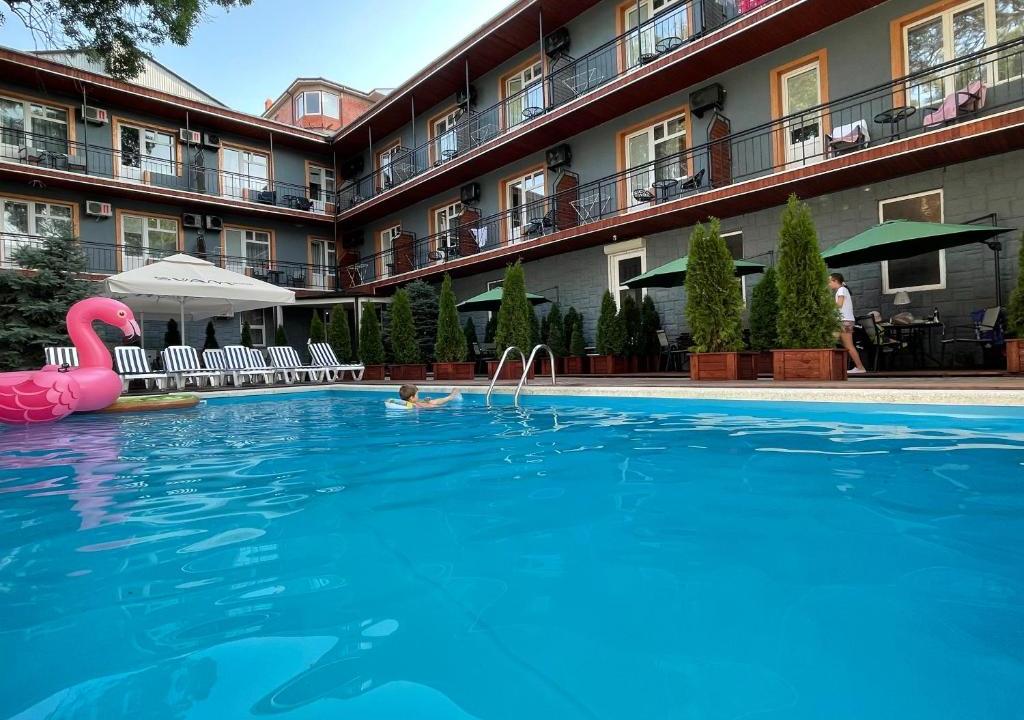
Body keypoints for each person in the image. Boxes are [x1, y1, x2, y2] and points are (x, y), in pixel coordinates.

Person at [829, 273, 866, 374]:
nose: (828, 284)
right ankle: (859, 367)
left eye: (829, 282)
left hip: (843, 321)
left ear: (835, 281)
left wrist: (827, 304)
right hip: (847, 321)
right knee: (845, 345)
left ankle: (859, 367)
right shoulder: (843, 289)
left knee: (832, 343)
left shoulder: (841, 289)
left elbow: (839, 305)